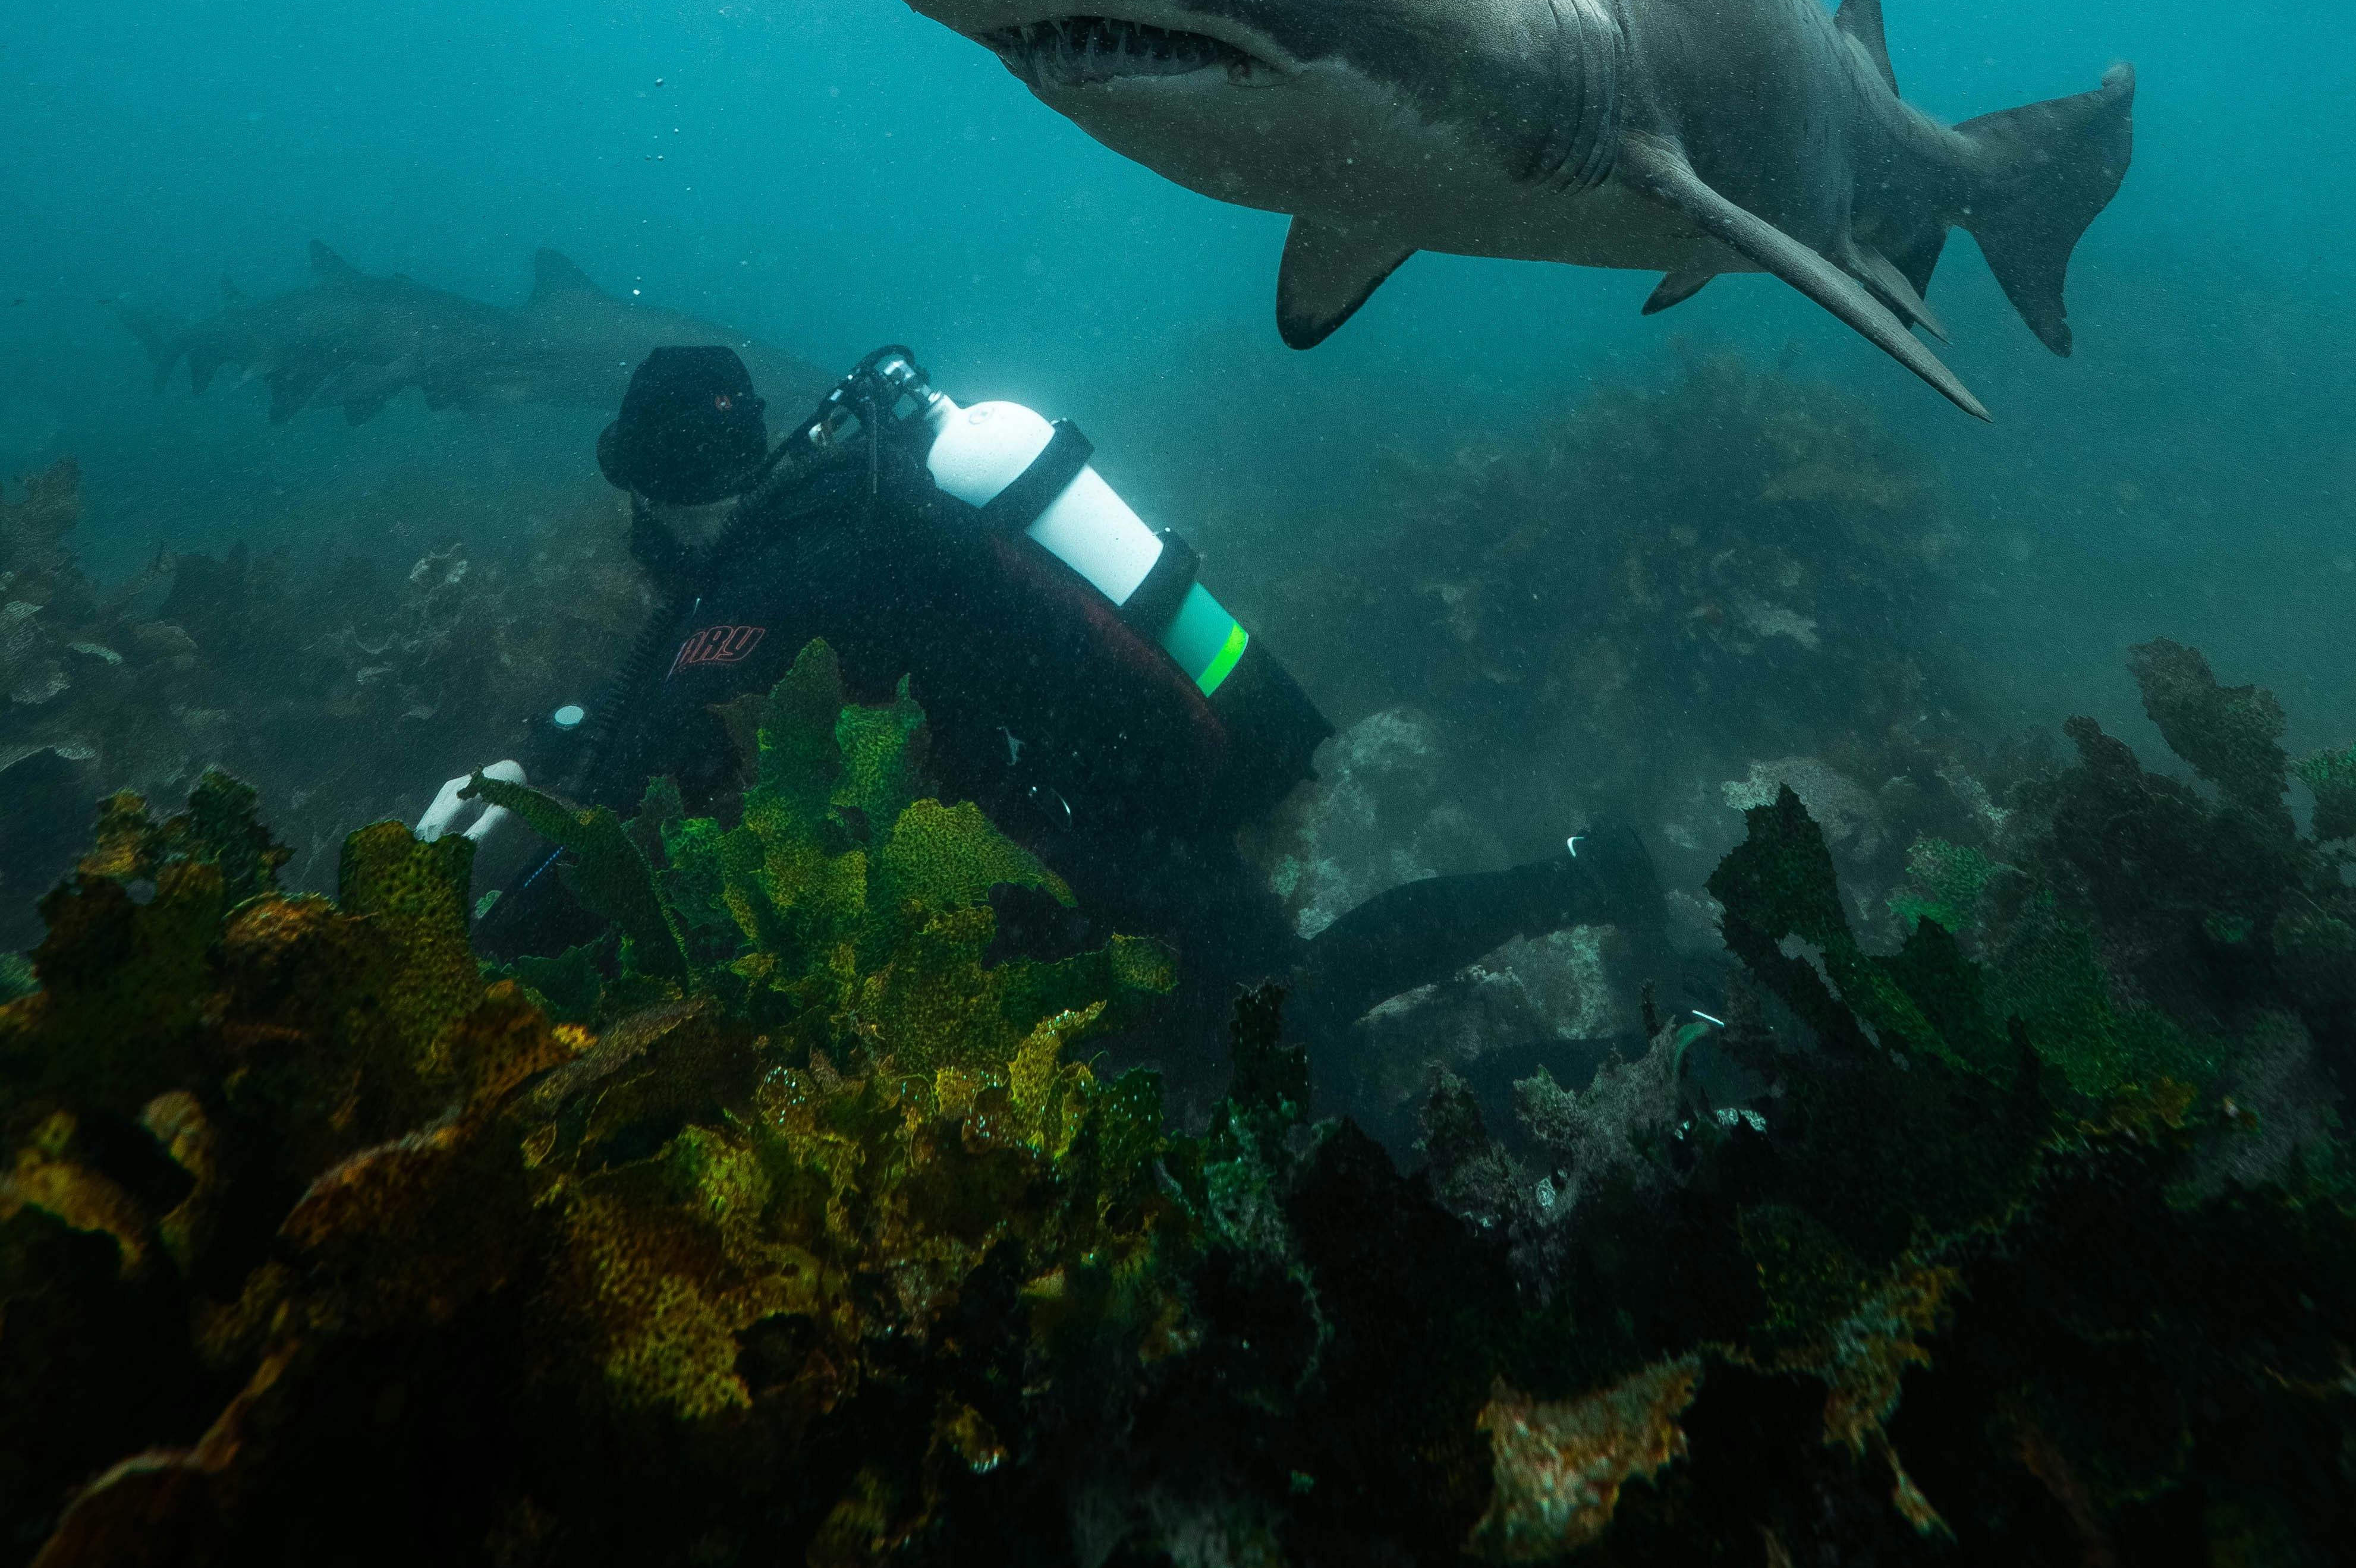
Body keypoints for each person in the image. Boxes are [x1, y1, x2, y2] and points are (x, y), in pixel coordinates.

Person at [423, 341, 1663, 1104]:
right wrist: (551, 745)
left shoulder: (764, 583)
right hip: (1122, 800)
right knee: (1274, 1003)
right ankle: (1580, 881)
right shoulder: (834, 513)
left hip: (1104, 859)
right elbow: (677, 717)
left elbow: (648, 798)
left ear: (662, 488)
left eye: (633, 493)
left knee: (1297, 1053)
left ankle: (1628, 1014)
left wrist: (473, 915)